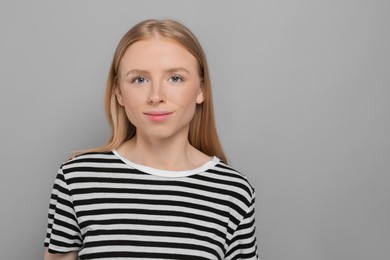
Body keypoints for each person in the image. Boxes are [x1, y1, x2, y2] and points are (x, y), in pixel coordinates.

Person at [44, 19, 259, 260]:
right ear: (119, 92)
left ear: (201, 90)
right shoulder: (77, 179)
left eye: (175, 78)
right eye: (139, 79)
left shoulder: (233, 192)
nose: (156, 96)